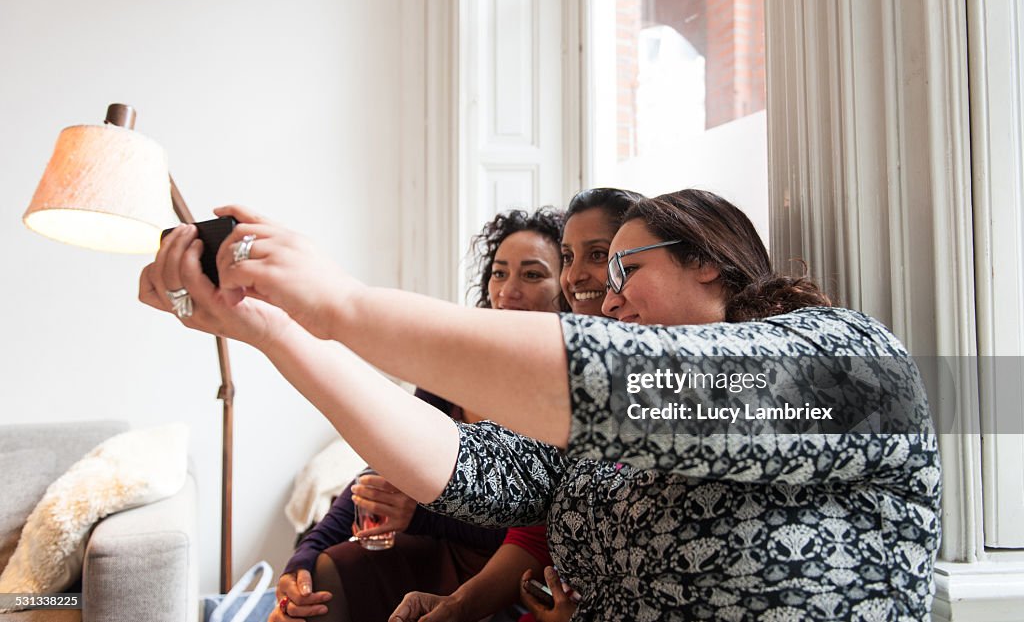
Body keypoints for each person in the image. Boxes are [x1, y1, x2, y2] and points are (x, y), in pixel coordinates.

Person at [142, 189, 940, 621]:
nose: (605, 293)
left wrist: (342, 302)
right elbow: (463, 464)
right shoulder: (601, 445)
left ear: (708, 261)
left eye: (626, 265)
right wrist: (272, 329)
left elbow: (621, 380)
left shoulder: (845, 362)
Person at [268, 207, 566, 622]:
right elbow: (380, 472)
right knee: (325, 574)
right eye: (499, 273)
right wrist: (303, 556)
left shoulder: (565, 387)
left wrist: (420, 514)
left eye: (532, 275)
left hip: (515, 569)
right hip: (439, 550)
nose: (509, 290)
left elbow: (536, 522)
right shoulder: (457, 369)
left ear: (565, 286)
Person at [392, 188, 643, 622]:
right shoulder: (571, 375)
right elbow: (532, 527)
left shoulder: (695, 383)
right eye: (568, 258)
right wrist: (457, 608)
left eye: (599, 255)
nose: (577, 275)